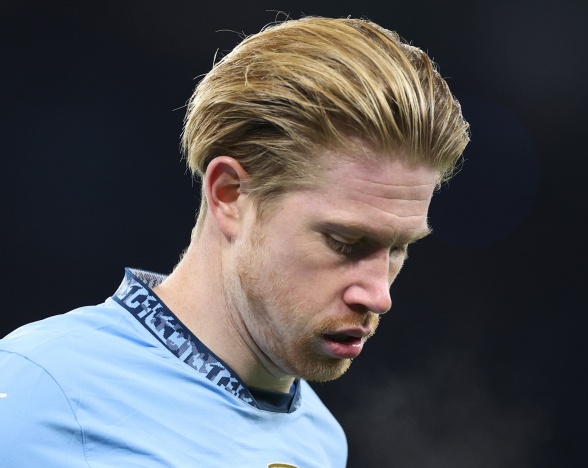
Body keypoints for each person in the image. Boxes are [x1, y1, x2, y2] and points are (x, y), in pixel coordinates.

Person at [0, 16, 469, 467]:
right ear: (229, 195)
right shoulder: (39, 389)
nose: (379, 296)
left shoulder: (320, 440)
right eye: (345, 241)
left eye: (397, 248)